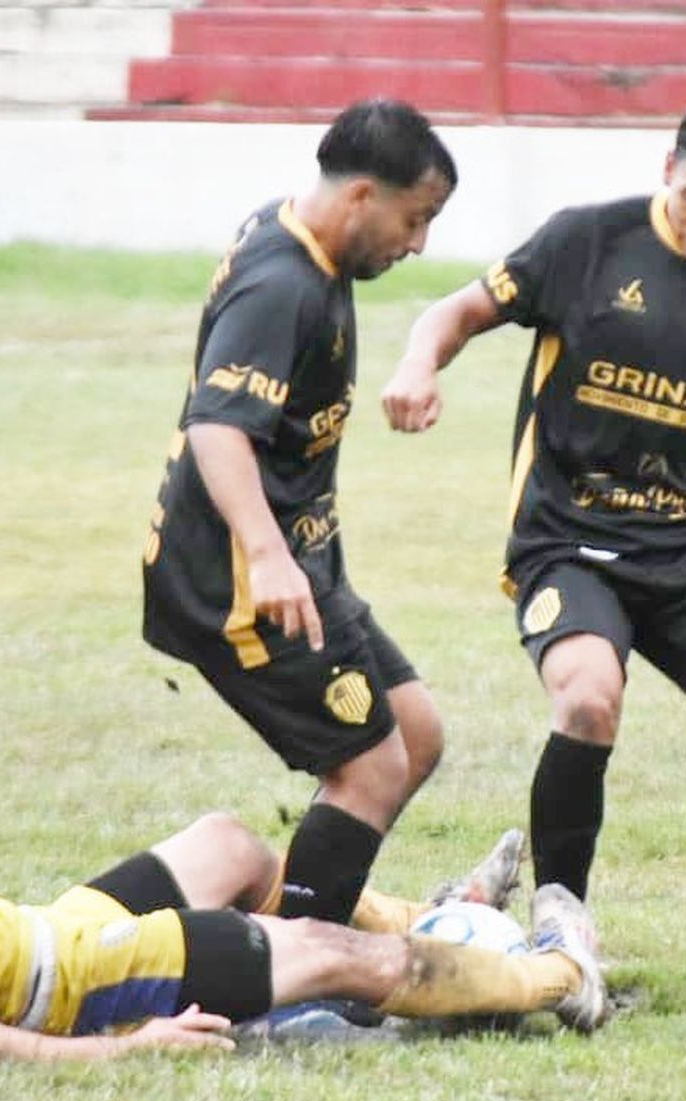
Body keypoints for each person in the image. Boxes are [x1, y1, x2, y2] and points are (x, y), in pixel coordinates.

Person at [383, 96, 686, 993]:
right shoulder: (587, 242)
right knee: (590, 698)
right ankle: (564, 925)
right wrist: (417, 366)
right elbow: (454, 311)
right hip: (567, 539)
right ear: (667, 168)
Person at [0, 640, 608, 1055]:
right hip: (73, 981)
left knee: (229, 844)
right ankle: (562, 973)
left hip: (44, 928)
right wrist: (130, 1046)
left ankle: (445, 915)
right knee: (345, 955)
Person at [142, 100, 457, 930]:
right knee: (373, 769)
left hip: (301, 561)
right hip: (239, 577)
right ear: (361, 196)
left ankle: (312, 910)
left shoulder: (299, 242)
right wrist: (268, 552)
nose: (418, 242)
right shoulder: (284, 285)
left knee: (414, 732)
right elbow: (217, 427)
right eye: (415, 218)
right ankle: (298, 977)